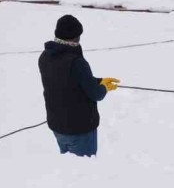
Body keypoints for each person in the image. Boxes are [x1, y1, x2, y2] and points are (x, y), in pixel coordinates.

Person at [37, 15, 119, 157]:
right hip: (80, 129)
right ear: (74, 37)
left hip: (57, 126)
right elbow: (96, 94)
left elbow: (68, 81)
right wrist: (104, 87)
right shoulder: (76, 62)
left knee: (71, 171)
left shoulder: (45, 56)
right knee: (84, 173)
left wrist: (100, 80)